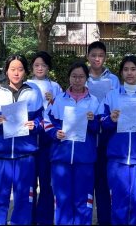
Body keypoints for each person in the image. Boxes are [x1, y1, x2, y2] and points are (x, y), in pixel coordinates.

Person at [0, 54, 44, 225]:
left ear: (25, 72)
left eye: (20, 69)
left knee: (24, 198)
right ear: (6, 71)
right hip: (1, 156)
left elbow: (43, 121)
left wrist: (35, 125)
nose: (16, 73)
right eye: (12, 69)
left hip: (26, 156)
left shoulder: (33, 94)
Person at [100, 55, 136, 225]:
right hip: (117, 159)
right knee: (118, 204)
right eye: (126, 69)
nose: (129, 73)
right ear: (121, 73)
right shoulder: (111, 96)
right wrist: (111, 119)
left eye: (133, 69)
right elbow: (102, 123)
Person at [43, 62, 100, 225]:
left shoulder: (94, 101)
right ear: (69, 78)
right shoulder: (58, 100)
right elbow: (46, 122)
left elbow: (100, 127)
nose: (77, 80)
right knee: (62, 199)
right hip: (61, 158)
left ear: (86, 78)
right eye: (74, 76)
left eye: (81, 76)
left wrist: (92, 121)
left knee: (84, 200)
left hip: (85, 159)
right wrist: (55, 133)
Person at [86, 40, 121, 225]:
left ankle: (104, 220)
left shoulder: (113, 79)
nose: (97, 59)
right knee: (86, 182)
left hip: (108, 133)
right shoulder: (82, 77)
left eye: (100, 56)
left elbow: (118, 102)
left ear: (105, 57)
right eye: (93, 55)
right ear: (88, 57)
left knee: (104, 183)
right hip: (87, 132)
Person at [26, 51, 62, 225]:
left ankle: (45, 218)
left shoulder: (55, 86)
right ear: (32, 67)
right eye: (36, 65)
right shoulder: (25, 85)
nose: (40, 68)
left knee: (47, 182)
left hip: (49, 140)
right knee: (29, 182)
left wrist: (53, 101)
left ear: (49, 67)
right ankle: (29, 217)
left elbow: (62, 112)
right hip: (30, 138)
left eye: (44, 65)